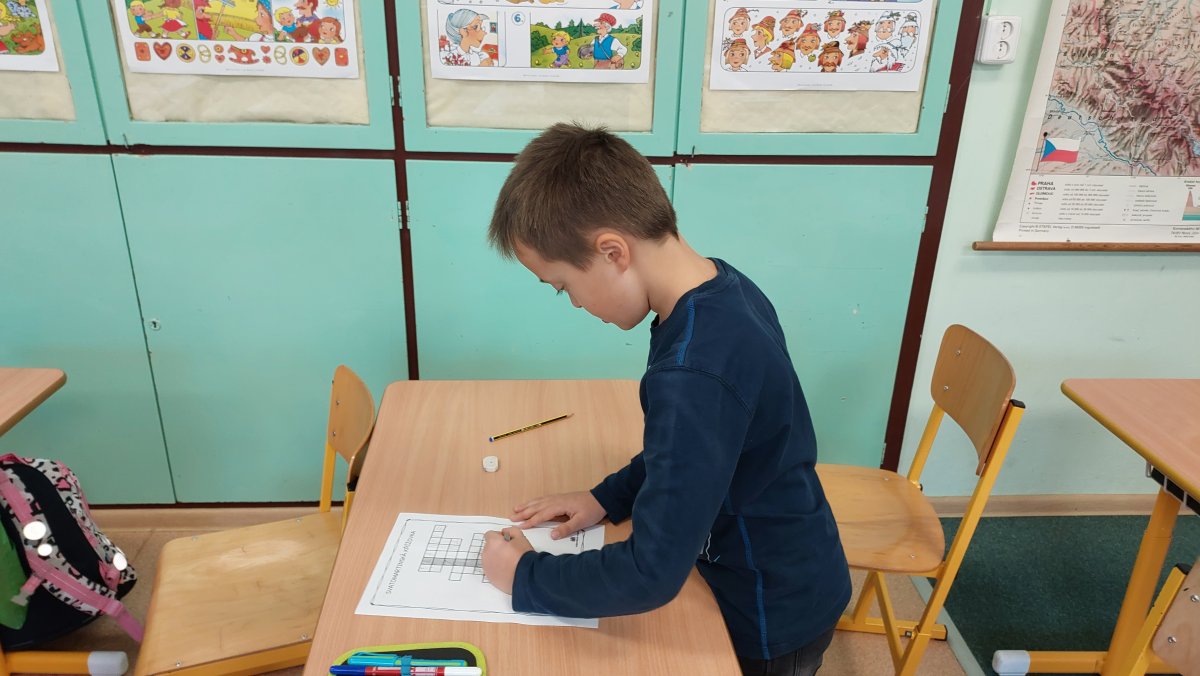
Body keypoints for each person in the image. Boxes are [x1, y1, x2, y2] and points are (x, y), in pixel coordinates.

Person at [481, 124, 852, 676]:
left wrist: (526, 577)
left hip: (767, 612)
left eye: (563, 286)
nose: (574, 304)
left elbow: (650, 573)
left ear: (613, 252)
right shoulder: (721, 290)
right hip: (792, 560)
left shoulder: (693, 370)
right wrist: (607, 497)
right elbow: (690, 452)